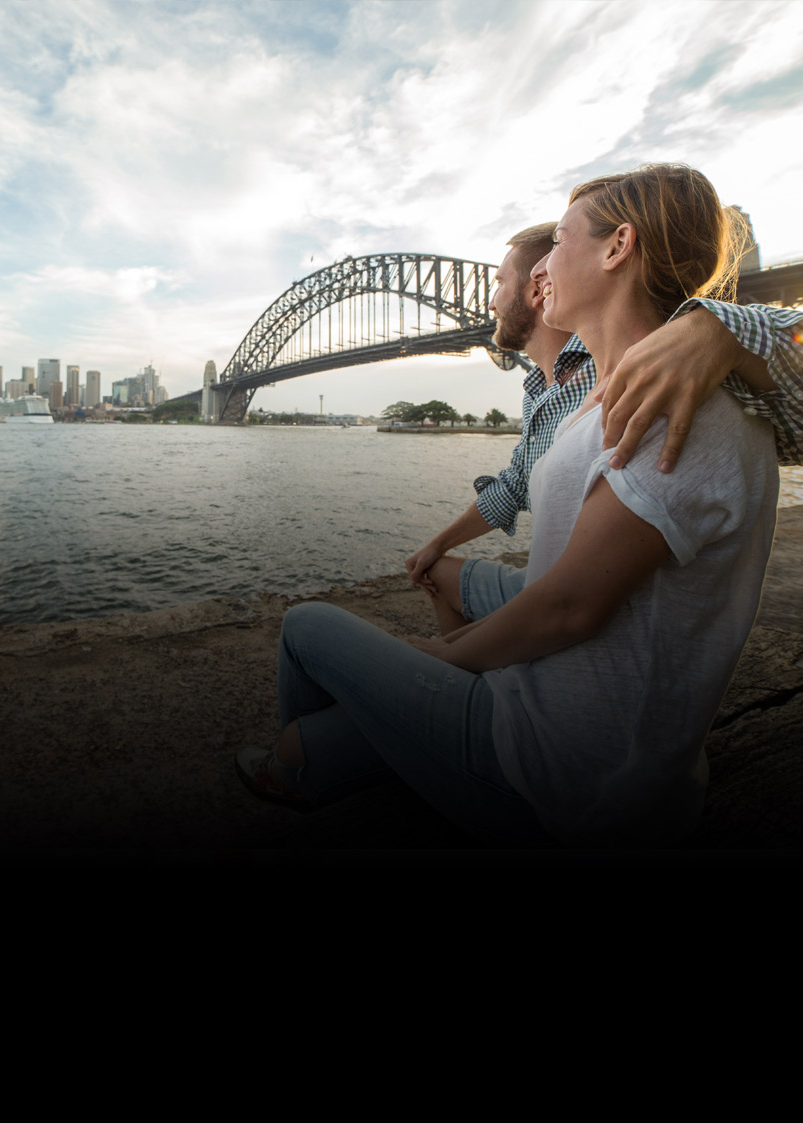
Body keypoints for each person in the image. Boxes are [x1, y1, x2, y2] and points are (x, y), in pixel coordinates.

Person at [237, 164, 781, 846]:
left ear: (618, 247)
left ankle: (304, 778)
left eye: (557, 239)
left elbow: (566, 608)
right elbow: (542, 545)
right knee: (341, 722)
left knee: (305, 627)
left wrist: (434, 658)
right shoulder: (606, 396)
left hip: (558, 781)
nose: (539, 269)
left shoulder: (665, 409)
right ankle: (320, 756)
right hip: (548, 722)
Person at [404, 225, 803, 635]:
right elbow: (514, 484)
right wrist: (439, 542)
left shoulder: (635, 368)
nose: (489, 303)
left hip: (601, 617)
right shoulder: (538, 387)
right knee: (437, 575)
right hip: (546, 593)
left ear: (539, 289)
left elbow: (571, 608)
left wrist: (719, 328)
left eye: (500, 282)